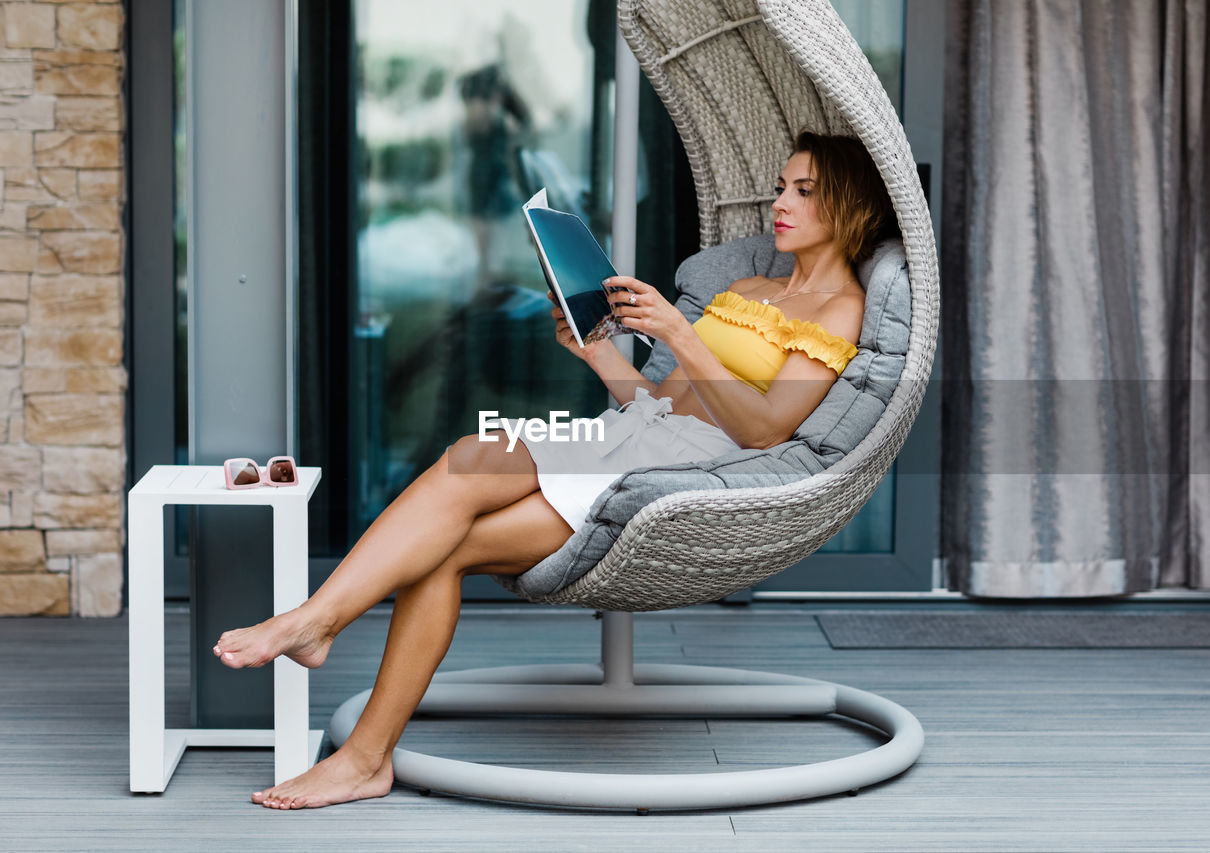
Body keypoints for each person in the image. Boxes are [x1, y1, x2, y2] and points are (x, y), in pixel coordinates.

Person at [211, 131, 896, 809]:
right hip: (632, 434)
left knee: (446, 544)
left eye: (803, 191)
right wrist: (597, 354)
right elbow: (660, 404)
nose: (780, 201)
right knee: (465, 460)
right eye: (782, 186)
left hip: (686, 468)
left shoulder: (840, 309)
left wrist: (678, 333)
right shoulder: (748, 285)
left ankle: (348, 711)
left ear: (848, 206)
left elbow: (765, 427)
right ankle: (326, 648)